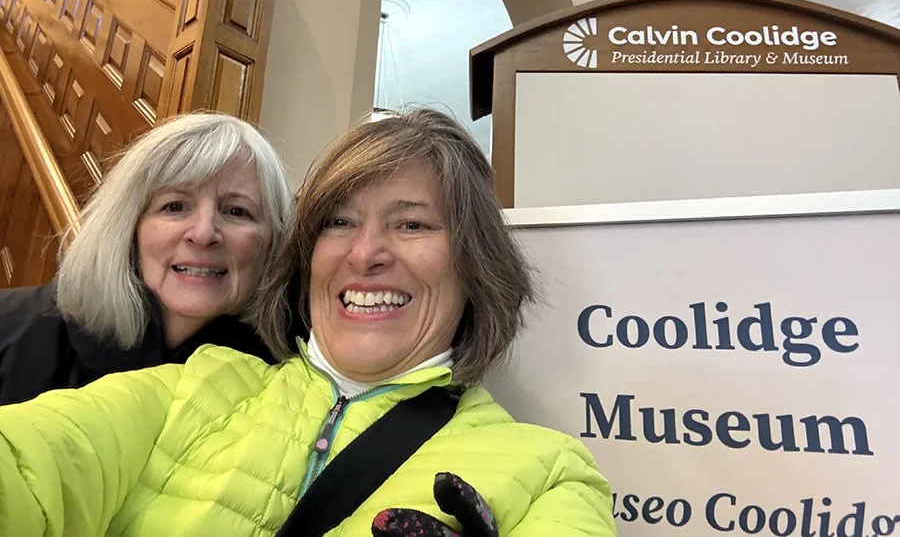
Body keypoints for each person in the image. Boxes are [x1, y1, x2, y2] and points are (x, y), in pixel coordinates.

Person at [0, 108, 615, 536]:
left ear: (476, 263)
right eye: (338, 222)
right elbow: (28, 464)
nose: (364, 253)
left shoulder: (550, 473)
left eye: (412, 223)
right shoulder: (189, 386)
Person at [0, 111, 293, 405]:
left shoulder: (286, 387)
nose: (203, 233)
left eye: (237, 211)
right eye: (175, 206)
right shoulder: (9, 328)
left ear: (274, 243)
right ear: (129, 227)